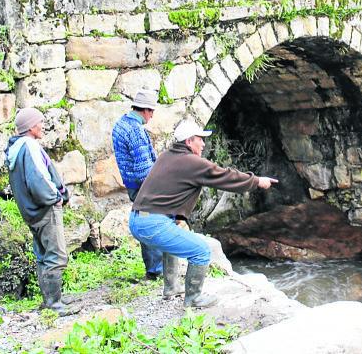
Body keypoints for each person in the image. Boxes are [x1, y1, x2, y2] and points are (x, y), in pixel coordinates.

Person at [130, 120, 278, 308]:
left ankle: (171, 288)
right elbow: (225, 176)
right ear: (189, 141)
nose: (204, 143)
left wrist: (180, 218)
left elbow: (173, 192)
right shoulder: (192, 162)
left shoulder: (166, 157)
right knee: (201, 251)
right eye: (200, 139)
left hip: (138, 220)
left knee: (172, 238)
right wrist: (257, 181)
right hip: (152, 224)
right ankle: (193, 299)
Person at [5, 108, 76, 315]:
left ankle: (50, 301)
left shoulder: (16, 149)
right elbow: (39, 179)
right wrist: (55, 198)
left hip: (31, 211)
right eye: (39, 122)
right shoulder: (29, 147)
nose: (42, 126)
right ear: (30, 127)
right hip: (45, 209)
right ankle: (54, 304)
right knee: (57, 255)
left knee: (43, 255)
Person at [111, 88, 163, 280]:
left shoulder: (120, 124)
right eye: (152, 112)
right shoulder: (135, 131)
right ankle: (156, 270)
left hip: (132, 186)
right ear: (145, 110)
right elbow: (144, 171)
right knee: (152, 224)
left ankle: (153, 268)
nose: (152, 117)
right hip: (144, 187)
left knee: (145, 221)